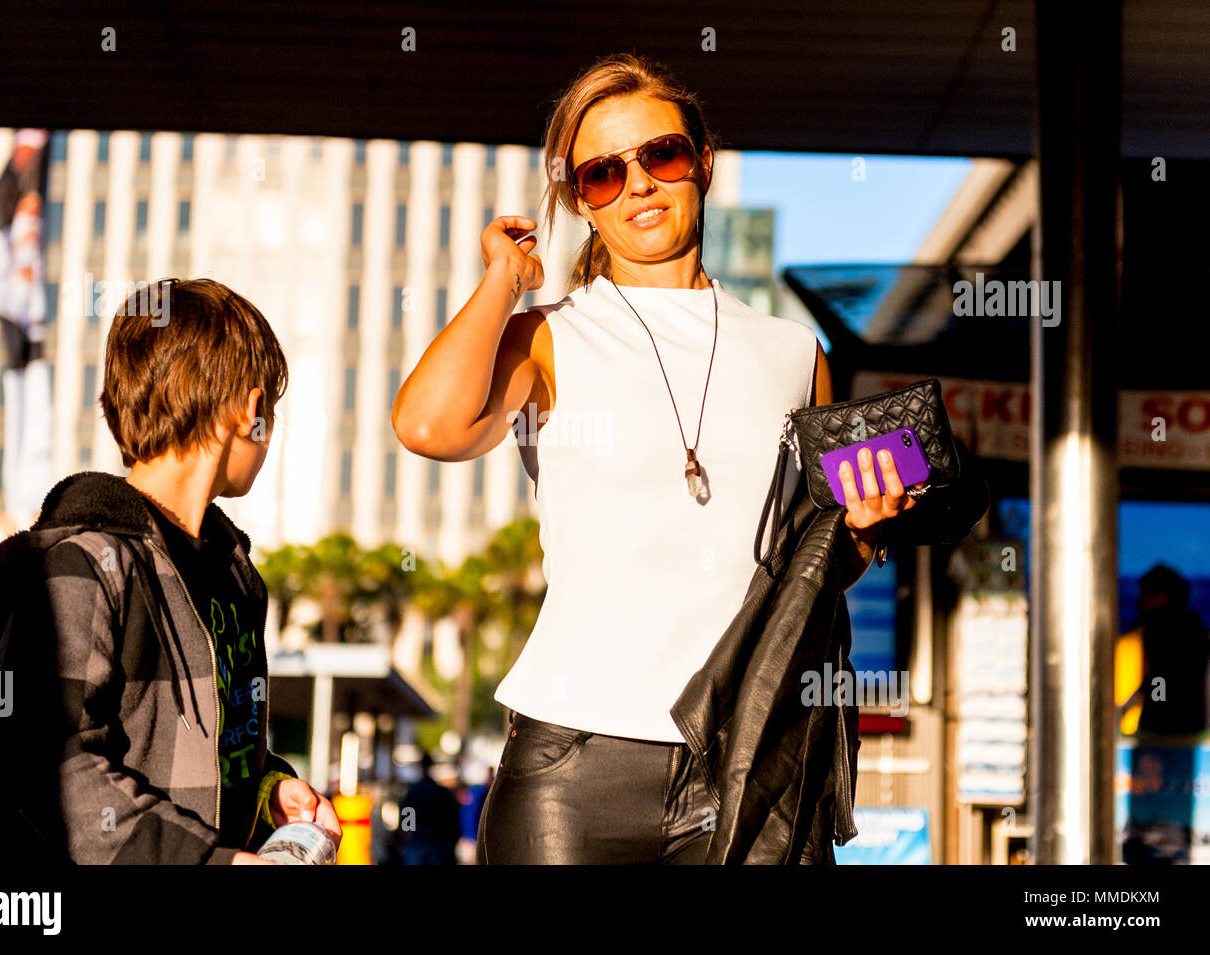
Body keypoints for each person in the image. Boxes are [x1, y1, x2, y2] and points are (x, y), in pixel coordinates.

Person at [392, 53, 918, 864]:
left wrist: (863, 528)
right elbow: (428, 425)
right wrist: (503, 279)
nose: (637, 184)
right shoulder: (550, 336)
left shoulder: (793, 351)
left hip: (746, 766)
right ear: (581, 203)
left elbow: (814, 566)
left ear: (703, 163)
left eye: (660, 156)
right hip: (572, 772)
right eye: (603, 174)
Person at [0, 278, 341, 864]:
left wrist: (271, 791)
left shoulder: (236, 580)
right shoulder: (74, 566)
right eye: (269, 407)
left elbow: (222, 748)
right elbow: (49, 773)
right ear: (250, 411)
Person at [1117, 564, 1210, 736]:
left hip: (1161, 736)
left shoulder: (1156, 632)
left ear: (1161, 597)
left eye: (1144, 595)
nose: (1139, 602)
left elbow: (1159, 679)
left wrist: (1156, 726)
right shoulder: (1198, 632)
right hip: (1197, 731)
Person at [394, 751, 461, 864]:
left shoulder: (413, 791)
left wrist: (406, 838)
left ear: (420, 766)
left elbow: (406, 822)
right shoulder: (441, 792)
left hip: (417, 843)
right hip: (437, 845)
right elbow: (452, 819)